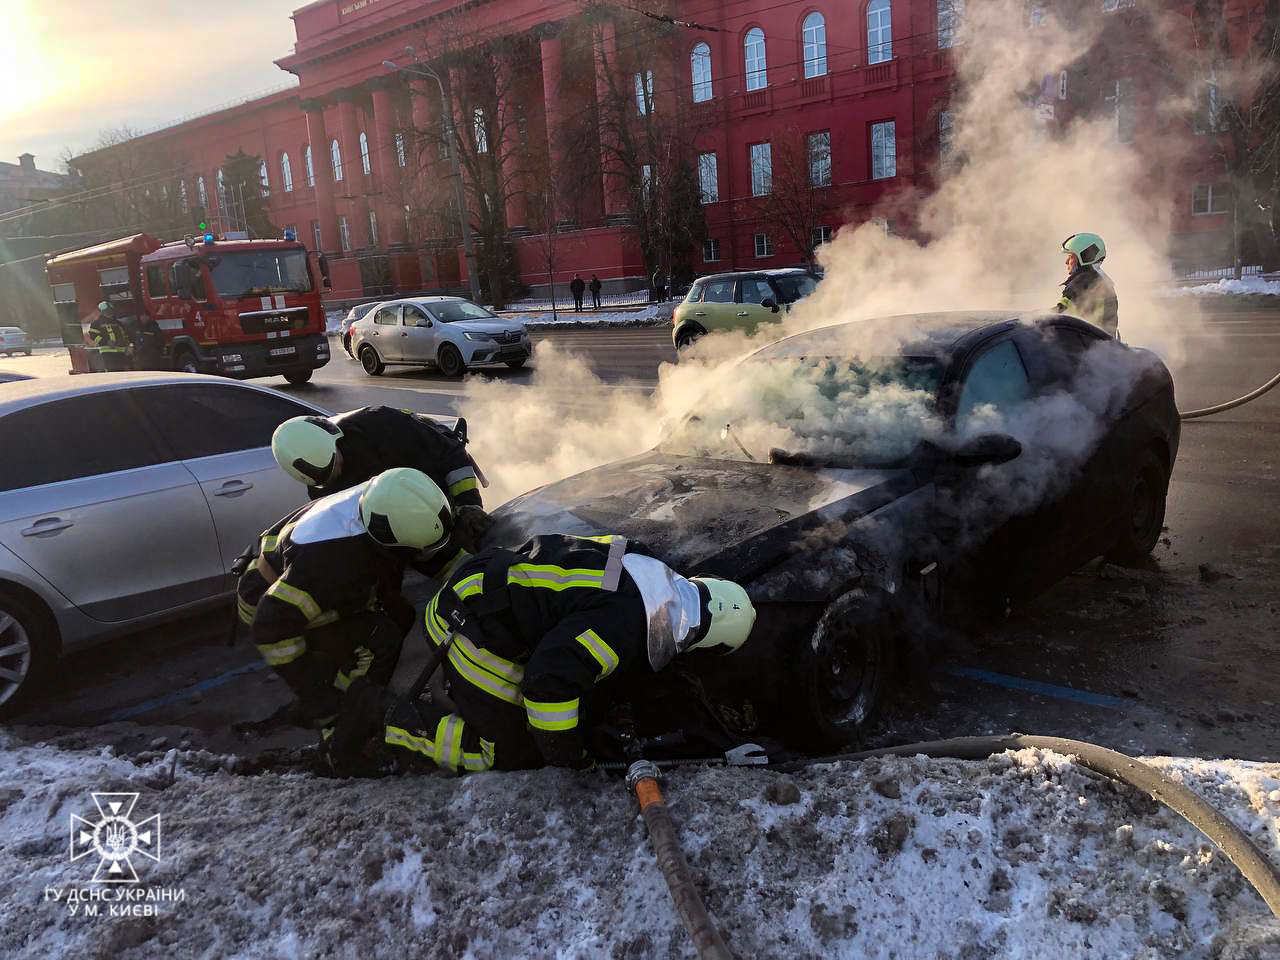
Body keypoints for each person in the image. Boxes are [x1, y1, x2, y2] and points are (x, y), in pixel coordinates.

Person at [328, 534, 757, 775]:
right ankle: (397, 721)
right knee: (508, 753)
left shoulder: (647, 563)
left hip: (484, 587)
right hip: (470, 630)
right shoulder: (623, 627)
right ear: (707, 639)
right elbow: (546, 684)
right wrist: (568, 758)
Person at [236, 468, 451, 738]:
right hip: (271, 604)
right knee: (380, 638)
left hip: (293, 576)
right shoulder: (329, 564)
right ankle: (345, 726)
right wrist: (315, 692)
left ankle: (353, 697)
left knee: (400, 614)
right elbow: (271, 628)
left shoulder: (385, 496)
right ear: (385, 537)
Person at [270, 406, 491, 560]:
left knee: (475, 536)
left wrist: (468, 505)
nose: (336, 472)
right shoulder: (322, 487)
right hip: (409, 519)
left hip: (435, 480)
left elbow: (450, 455)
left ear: (333, 436)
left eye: (334, 461)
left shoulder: (380, 423)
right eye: (328, 475)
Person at [1055, 233, 1119, 338]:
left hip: (1086, 345)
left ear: (1083, 257)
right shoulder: (1100, 280)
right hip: (1101, 345)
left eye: (1070, 257)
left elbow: (1058, 313)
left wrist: (1029, 317)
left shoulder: (1083, 282)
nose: (1066, 262)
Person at [87, 301, 130, 372]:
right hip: (107, 352)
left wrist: (126, 343)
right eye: (109, 310)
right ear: (103, 311)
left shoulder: (118, 323)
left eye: (111, 310)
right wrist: (106, 342)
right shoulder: (96, 323)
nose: (111, 312)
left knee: (122, 373)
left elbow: (125, 334)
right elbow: (93, 336)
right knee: (112, 372)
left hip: (121, 352)